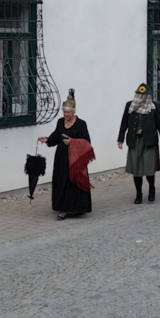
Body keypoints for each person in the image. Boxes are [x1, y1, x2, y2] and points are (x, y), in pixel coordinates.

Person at [39, 89, 93, 220]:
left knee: (74, 182)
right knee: (61, 181)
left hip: (75, 158)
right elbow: (55, 137)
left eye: (68, 112)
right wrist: (47, 139)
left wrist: (72, 142)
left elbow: (86, 142)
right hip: (62, 157)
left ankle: (77, 208)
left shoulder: (81, 124)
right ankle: (62, 208)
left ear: (73, 112)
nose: (66, 114)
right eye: (64, 112)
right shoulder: (60, 122)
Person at [117, 83, 160, 204]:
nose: (142, 98)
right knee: (136, 169)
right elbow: (124, 122)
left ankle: (151, 189)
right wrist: (120, 139)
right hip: (135, 141)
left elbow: (159, 124)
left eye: (145, 95)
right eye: (140, 95)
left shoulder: (153, 106)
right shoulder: (130, 106)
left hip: (149, 141)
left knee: (149, 168)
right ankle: (138, 194)